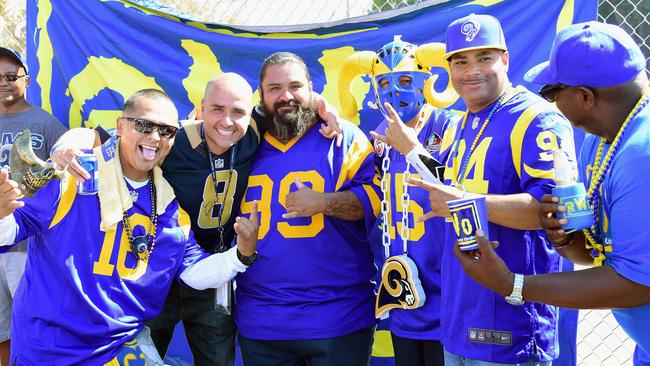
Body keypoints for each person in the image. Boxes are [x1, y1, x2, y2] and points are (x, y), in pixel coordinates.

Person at [52, 73, 342, 364]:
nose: (227, 121)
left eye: (237, 112)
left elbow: (285, 100)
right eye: (217, 109)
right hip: (158, 266)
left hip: (213, 265)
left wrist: (322, 105)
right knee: (143, 354)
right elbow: (98, 136)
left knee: (217, 358)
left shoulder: (251, 129)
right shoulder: (169, 138)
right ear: (201, 109)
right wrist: (64, 146)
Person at [0, 89, 260, 364]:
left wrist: (241, 254)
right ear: (120, 125)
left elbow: (195, 271)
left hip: (117, 348)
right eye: (145, 125)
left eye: (167, 131)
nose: (155, 137)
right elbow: (11, 231)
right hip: (49, 349)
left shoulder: (169, 208)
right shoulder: (74, 176)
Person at [453, 21, 650, 366]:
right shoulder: (601, 140)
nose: (551, 104)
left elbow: (635, 284)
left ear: (585, 96)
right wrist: (566, 237)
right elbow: (594, 254)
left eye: (551, 92)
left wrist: (513, 284)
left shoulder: (641, 155)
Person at [407, 14, 577, 365]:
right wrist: (412, 150)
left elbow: (552, 214)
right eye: (461, 61)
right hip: (459, 315)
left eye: (484, 58)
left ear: (505, 59)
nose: (472, 71)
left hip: (510, 321)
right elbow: (454, 185)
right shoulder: (464, 120)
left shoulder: (537, 118)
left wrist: (466, 202)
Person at [234, 51, 380, 365]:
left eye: (295, 86)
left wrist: (325, 202)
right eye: (274, 89)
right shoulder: (240, 140)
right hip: (261, 319)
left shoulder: (343, 137)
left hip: (337, 316)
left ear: (312, 89)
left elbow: (378, 199)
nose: (286, 96)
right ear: (260, 95)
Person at [339, 37, 458, 365]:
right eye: (385, 83)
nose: (396, 91)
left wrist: (413, 150)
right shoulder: (379, 133)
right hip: (403, 283)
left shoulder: (447, 126)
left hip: (445, 281)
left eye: (406, 80)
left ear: (424, 81)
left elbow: (452, 185)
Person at [0, 46, 67, 365]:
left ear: (26, 80)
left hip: (27, 245)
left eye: (11, 76)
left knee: (32, 327)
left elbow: (68, 178)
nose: (3, 82)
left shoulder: (46, 123)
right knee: (1, 333)